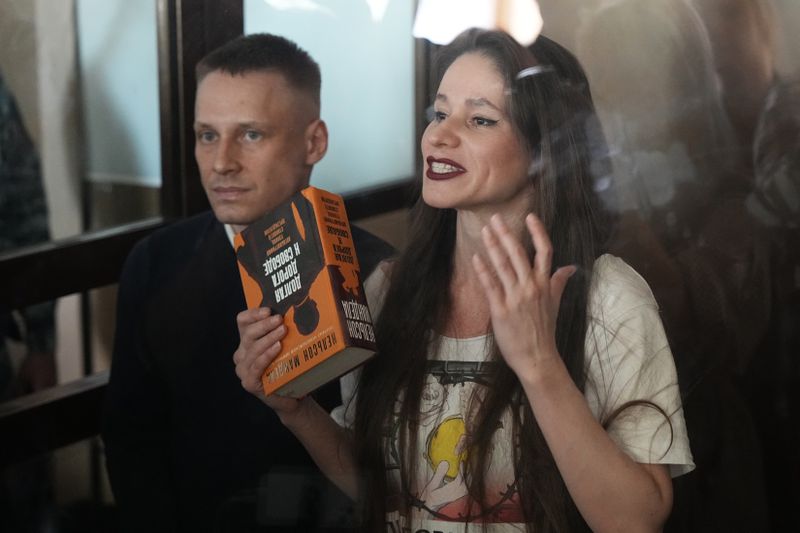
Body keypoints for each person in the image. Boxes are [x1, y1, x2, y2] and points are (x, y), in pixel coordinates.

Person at [235, 29, 694, 532]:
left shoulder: (610, 298)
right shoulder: (387, 289)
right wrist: (297, 412)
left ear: (546, 149)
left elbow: (634, 522)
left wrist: (539, 365)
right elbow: (387, 490)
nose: (439, 135)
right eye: (438, 113)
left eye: (479, 119)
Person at [101, 33, 394, 533]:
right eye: (207, 135)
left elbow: (390, 473)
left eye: (251, 134)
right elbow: (132, 440)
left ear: (314, 142)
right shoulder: (156, 262)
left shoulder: (375, 273)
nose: (221, 163)